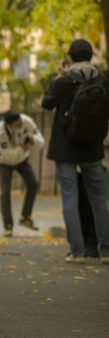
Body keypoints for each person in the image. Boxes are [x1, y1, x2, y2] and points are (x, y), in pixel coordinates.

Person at [41, 39, 109, 264]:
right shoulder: (102, 80)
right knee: (99, 198)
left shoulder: (65, 81)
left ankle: (77, 252)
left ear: (69, 58)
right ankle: (106, 250)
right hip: (92, 146)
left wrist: (59, 76)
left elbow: (47, 103)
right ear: (90, 57)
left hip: (66, 147)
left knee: (69, 197)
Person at [0, 110, 44, 237]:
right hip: (3, 161)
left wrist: (32, 141)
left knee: (33, 183)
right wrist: (22, 148)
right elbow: (7, 155)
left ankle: (25, 216)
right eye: (17, 124)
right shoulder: (0, 132)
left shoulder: (26, 121)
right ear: (10, 126)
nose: (21, 124)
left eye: (20, 121)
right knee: (5, 191)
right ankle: (8, 225)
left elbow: (40, 140)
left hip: (22, 159)